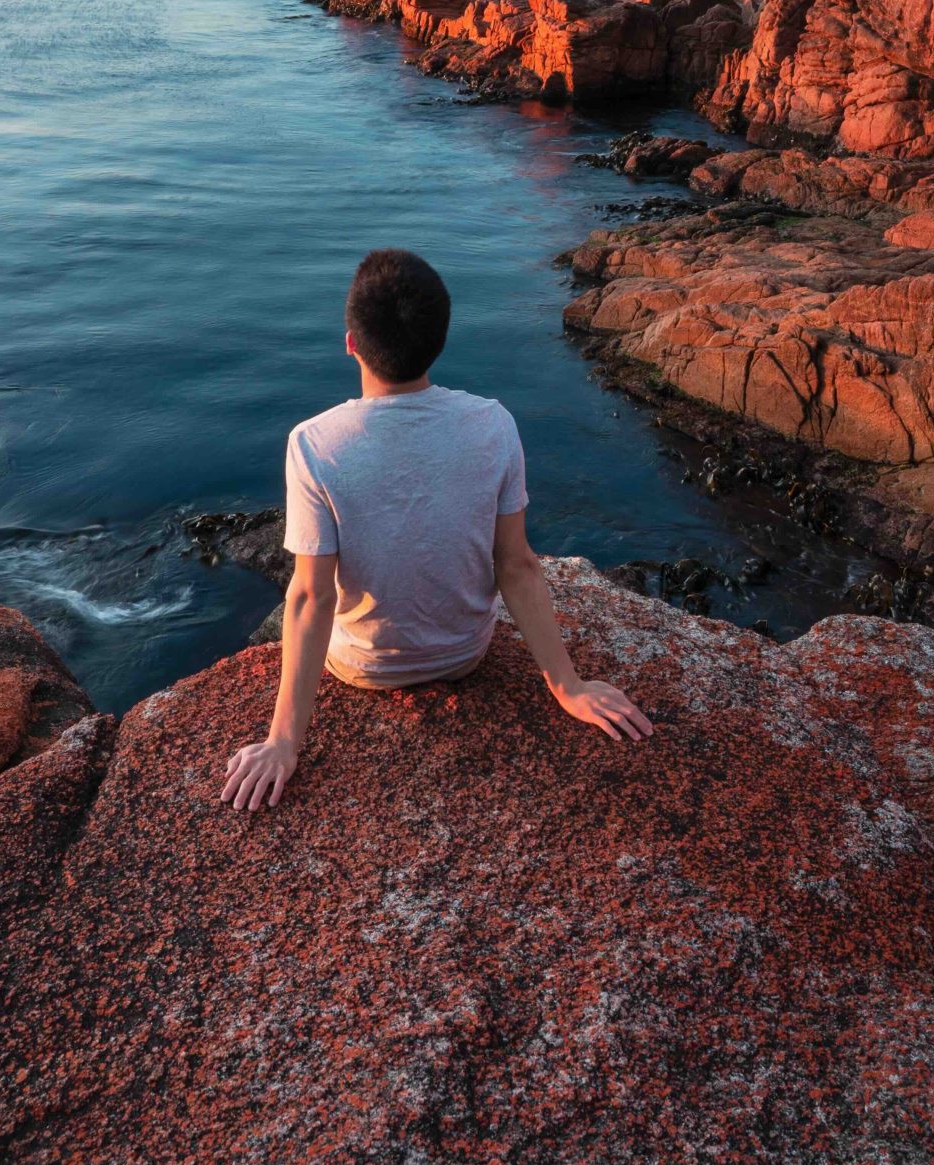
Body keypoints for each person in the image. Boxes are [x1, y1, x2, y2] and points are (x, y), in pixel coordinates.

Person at [221, 246, 653, 813]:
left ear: (351, 342)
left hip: (362, 668)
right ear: (441, 339)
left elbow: (310, 594)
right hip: (463, 655)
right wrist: (566, 686)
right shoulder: (494, 424)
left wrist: (284, 742)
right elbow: (517, 564)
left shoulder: (315, 443)